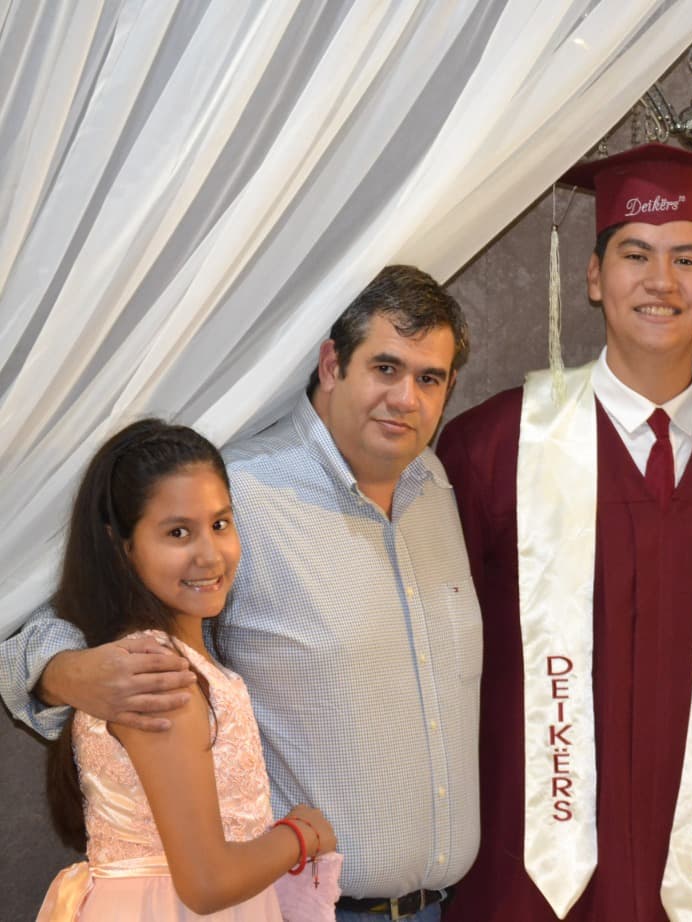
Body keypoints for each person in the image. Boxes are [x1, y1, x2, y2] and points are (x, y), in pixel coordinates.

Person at [3, 266, 482, 922]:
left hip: (437, 908)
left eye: (430, 379)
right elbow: (54, 612)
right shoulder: (238, 492)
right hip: (302, 906)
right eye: (385, 368)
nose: (405, 398)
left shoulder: (436, 487)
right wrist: (68, 671)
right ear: (332, 365)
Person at [436, 143, 692, 921]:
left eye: (686, 260)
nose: (661, 281)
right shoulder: (495, 444)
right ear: (595, 277)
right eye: (635, 255)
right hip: (533, 852)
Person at [36, 419, 337, 920]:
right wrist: (303, 834)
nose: (209, 555)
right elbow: (206, 883)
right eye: (178, 533)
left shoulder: (169, 659)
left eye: (220, 524)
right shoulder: (157, 676)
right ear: (122, 545)